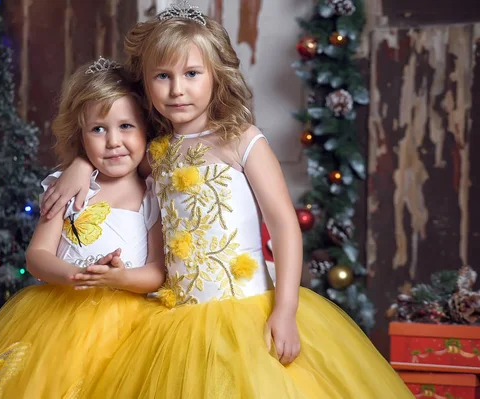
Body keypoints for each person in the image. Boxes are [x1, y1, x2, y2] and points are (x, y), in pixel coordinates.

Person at [42, 3, 413, 398]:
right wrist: (81, 165)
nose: (177, 89)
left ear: (216, 75)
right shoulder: (155, 151)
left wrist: (284, 311)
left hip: (247, 312)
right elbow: (115, 159)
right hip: (178, 322)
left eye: (191, 74)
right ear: (146, 84)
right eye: (162, 76)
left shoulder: (241, 138)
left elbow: (285, 225)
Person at [0, 58, 165, 399]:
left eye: (126, 126)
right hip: (58, 320)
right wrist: (73, 274)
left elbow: (156, 271)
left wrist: (118, 279)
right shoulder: (67, 187)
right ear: (80, 134)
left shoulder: (153, 193)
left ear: (147, 130)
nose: (112, 141)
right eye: (98, 129)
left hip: (131, 332)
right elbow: (37, 255)